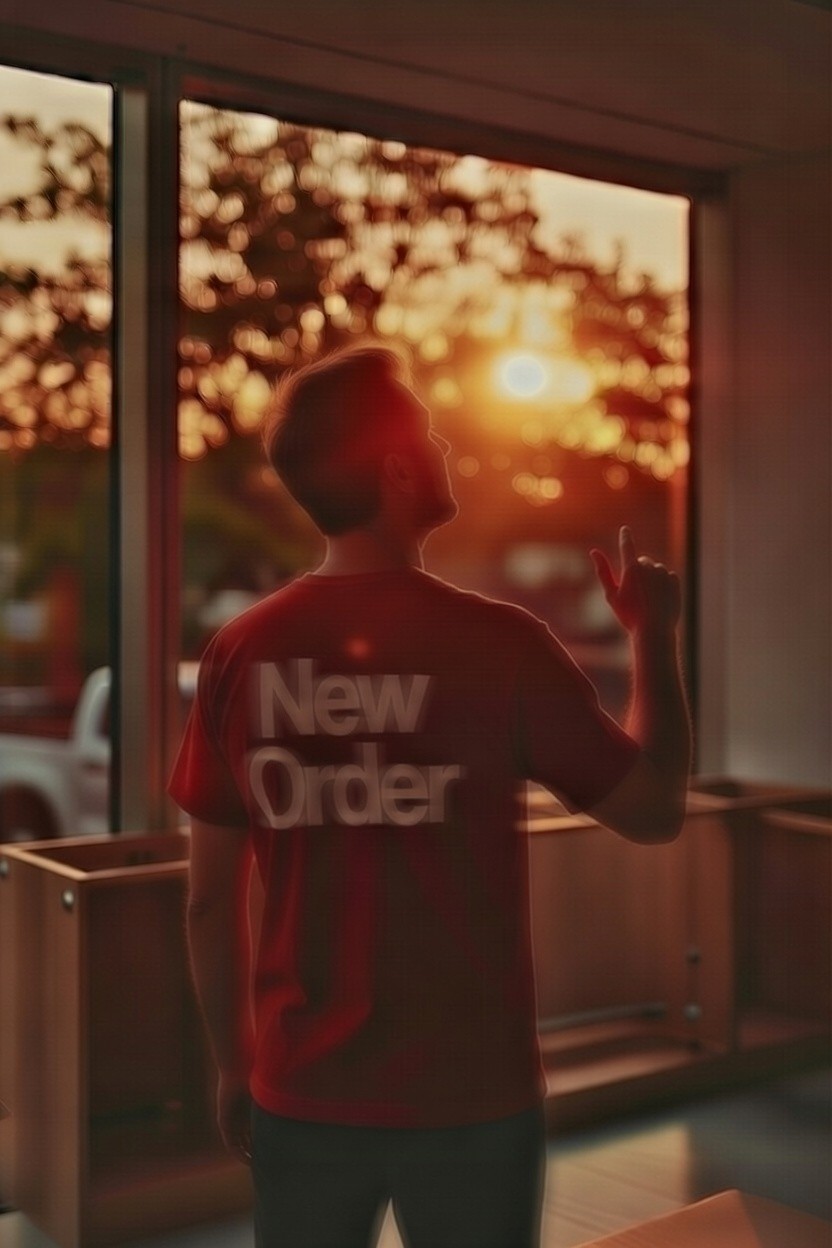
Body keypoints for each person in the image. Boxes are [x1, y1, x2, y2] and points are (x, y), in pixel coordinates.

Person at [169, 344, 691, 1248]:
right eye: (431, 432)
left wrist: (233, 1067)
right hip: (472, 1099)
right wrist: (654, 639)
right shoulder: (500, 644)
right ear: (398, 470)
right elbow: (654, 812)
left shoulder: (239, 653)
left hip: (301, 1090)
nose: (448, 446)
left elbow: (210, 898)